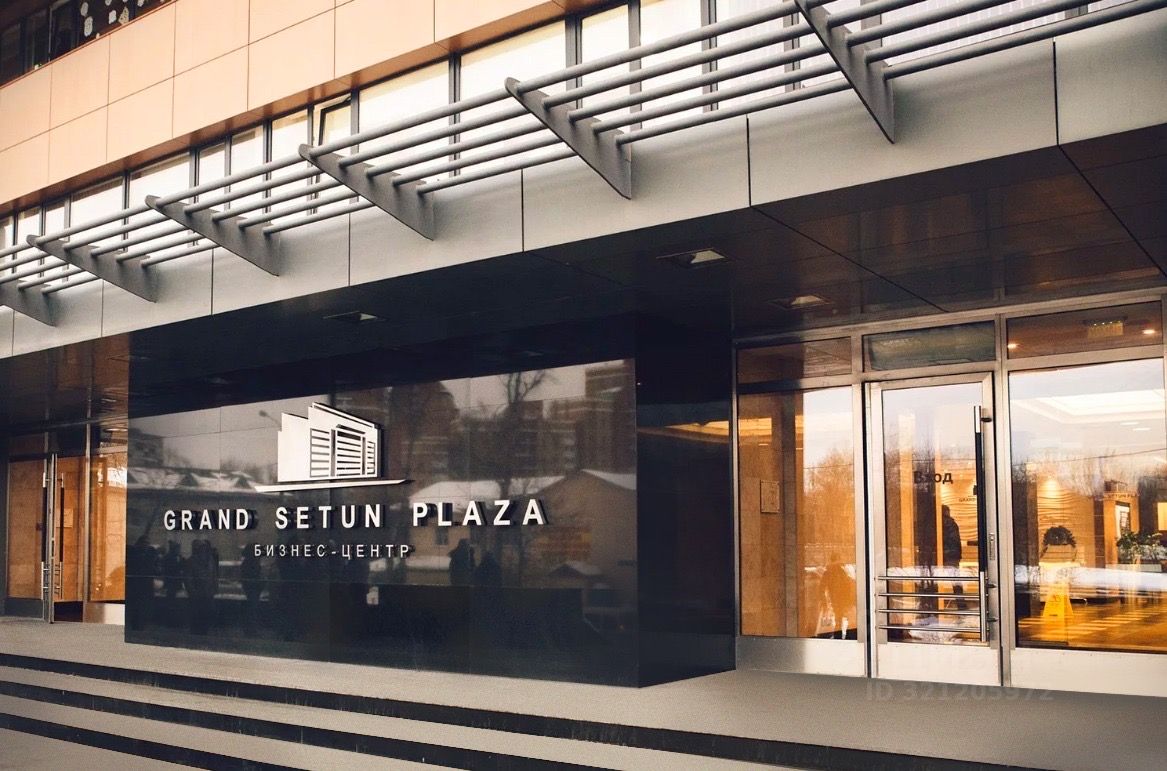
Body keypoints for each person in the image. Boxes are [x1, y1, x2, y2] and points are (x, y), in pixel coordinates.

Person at [941, 506, 967, 610]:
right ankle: (961, 604)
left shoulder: (938, 523)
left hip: (944, 554)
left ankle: (931, 604)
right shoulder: (952, 524)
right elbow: (955, 541)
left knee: (932, 579)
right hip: (952, 555)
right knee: (956, 581)